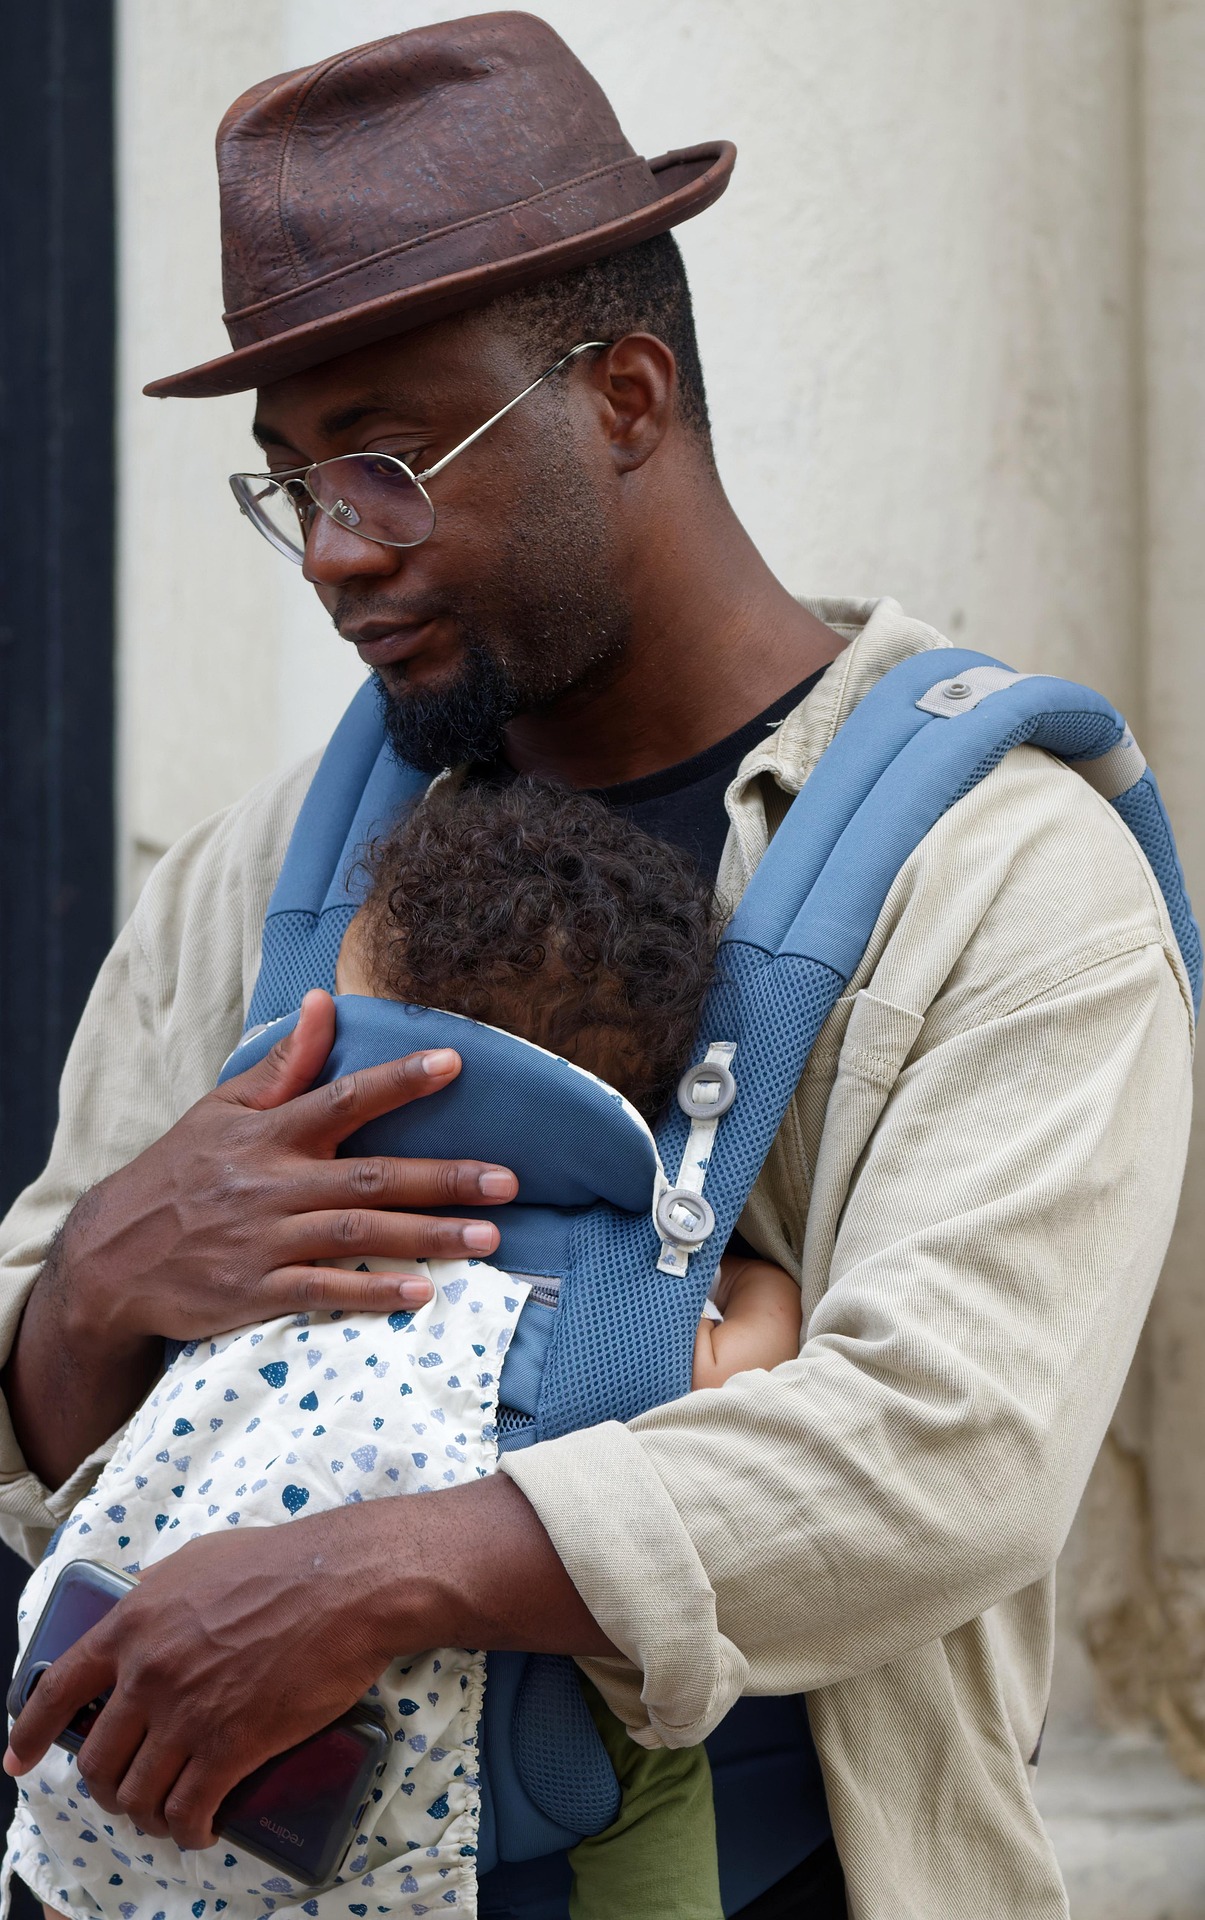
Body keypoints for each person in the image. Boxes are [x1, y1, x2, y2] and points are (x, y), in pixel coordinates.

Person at [0, 15, 1192, 1919]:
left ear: (627, 397)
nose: (329, 553)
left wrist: (380, 1572)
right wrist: (84, 1302)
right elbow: (47, 1393)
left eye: (389, 462)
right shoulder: (260, 875)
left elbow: (949, 1451)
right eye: (293, 482)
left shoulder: (997, 878)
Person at [7, 780, 801, 1920]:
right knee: (651, 1771)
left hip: (118, 1733)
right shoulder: (600, 1308)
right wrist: (744, 1274)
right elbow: (752, 1368)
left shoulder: (227, 1245)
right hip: (420, 1798)